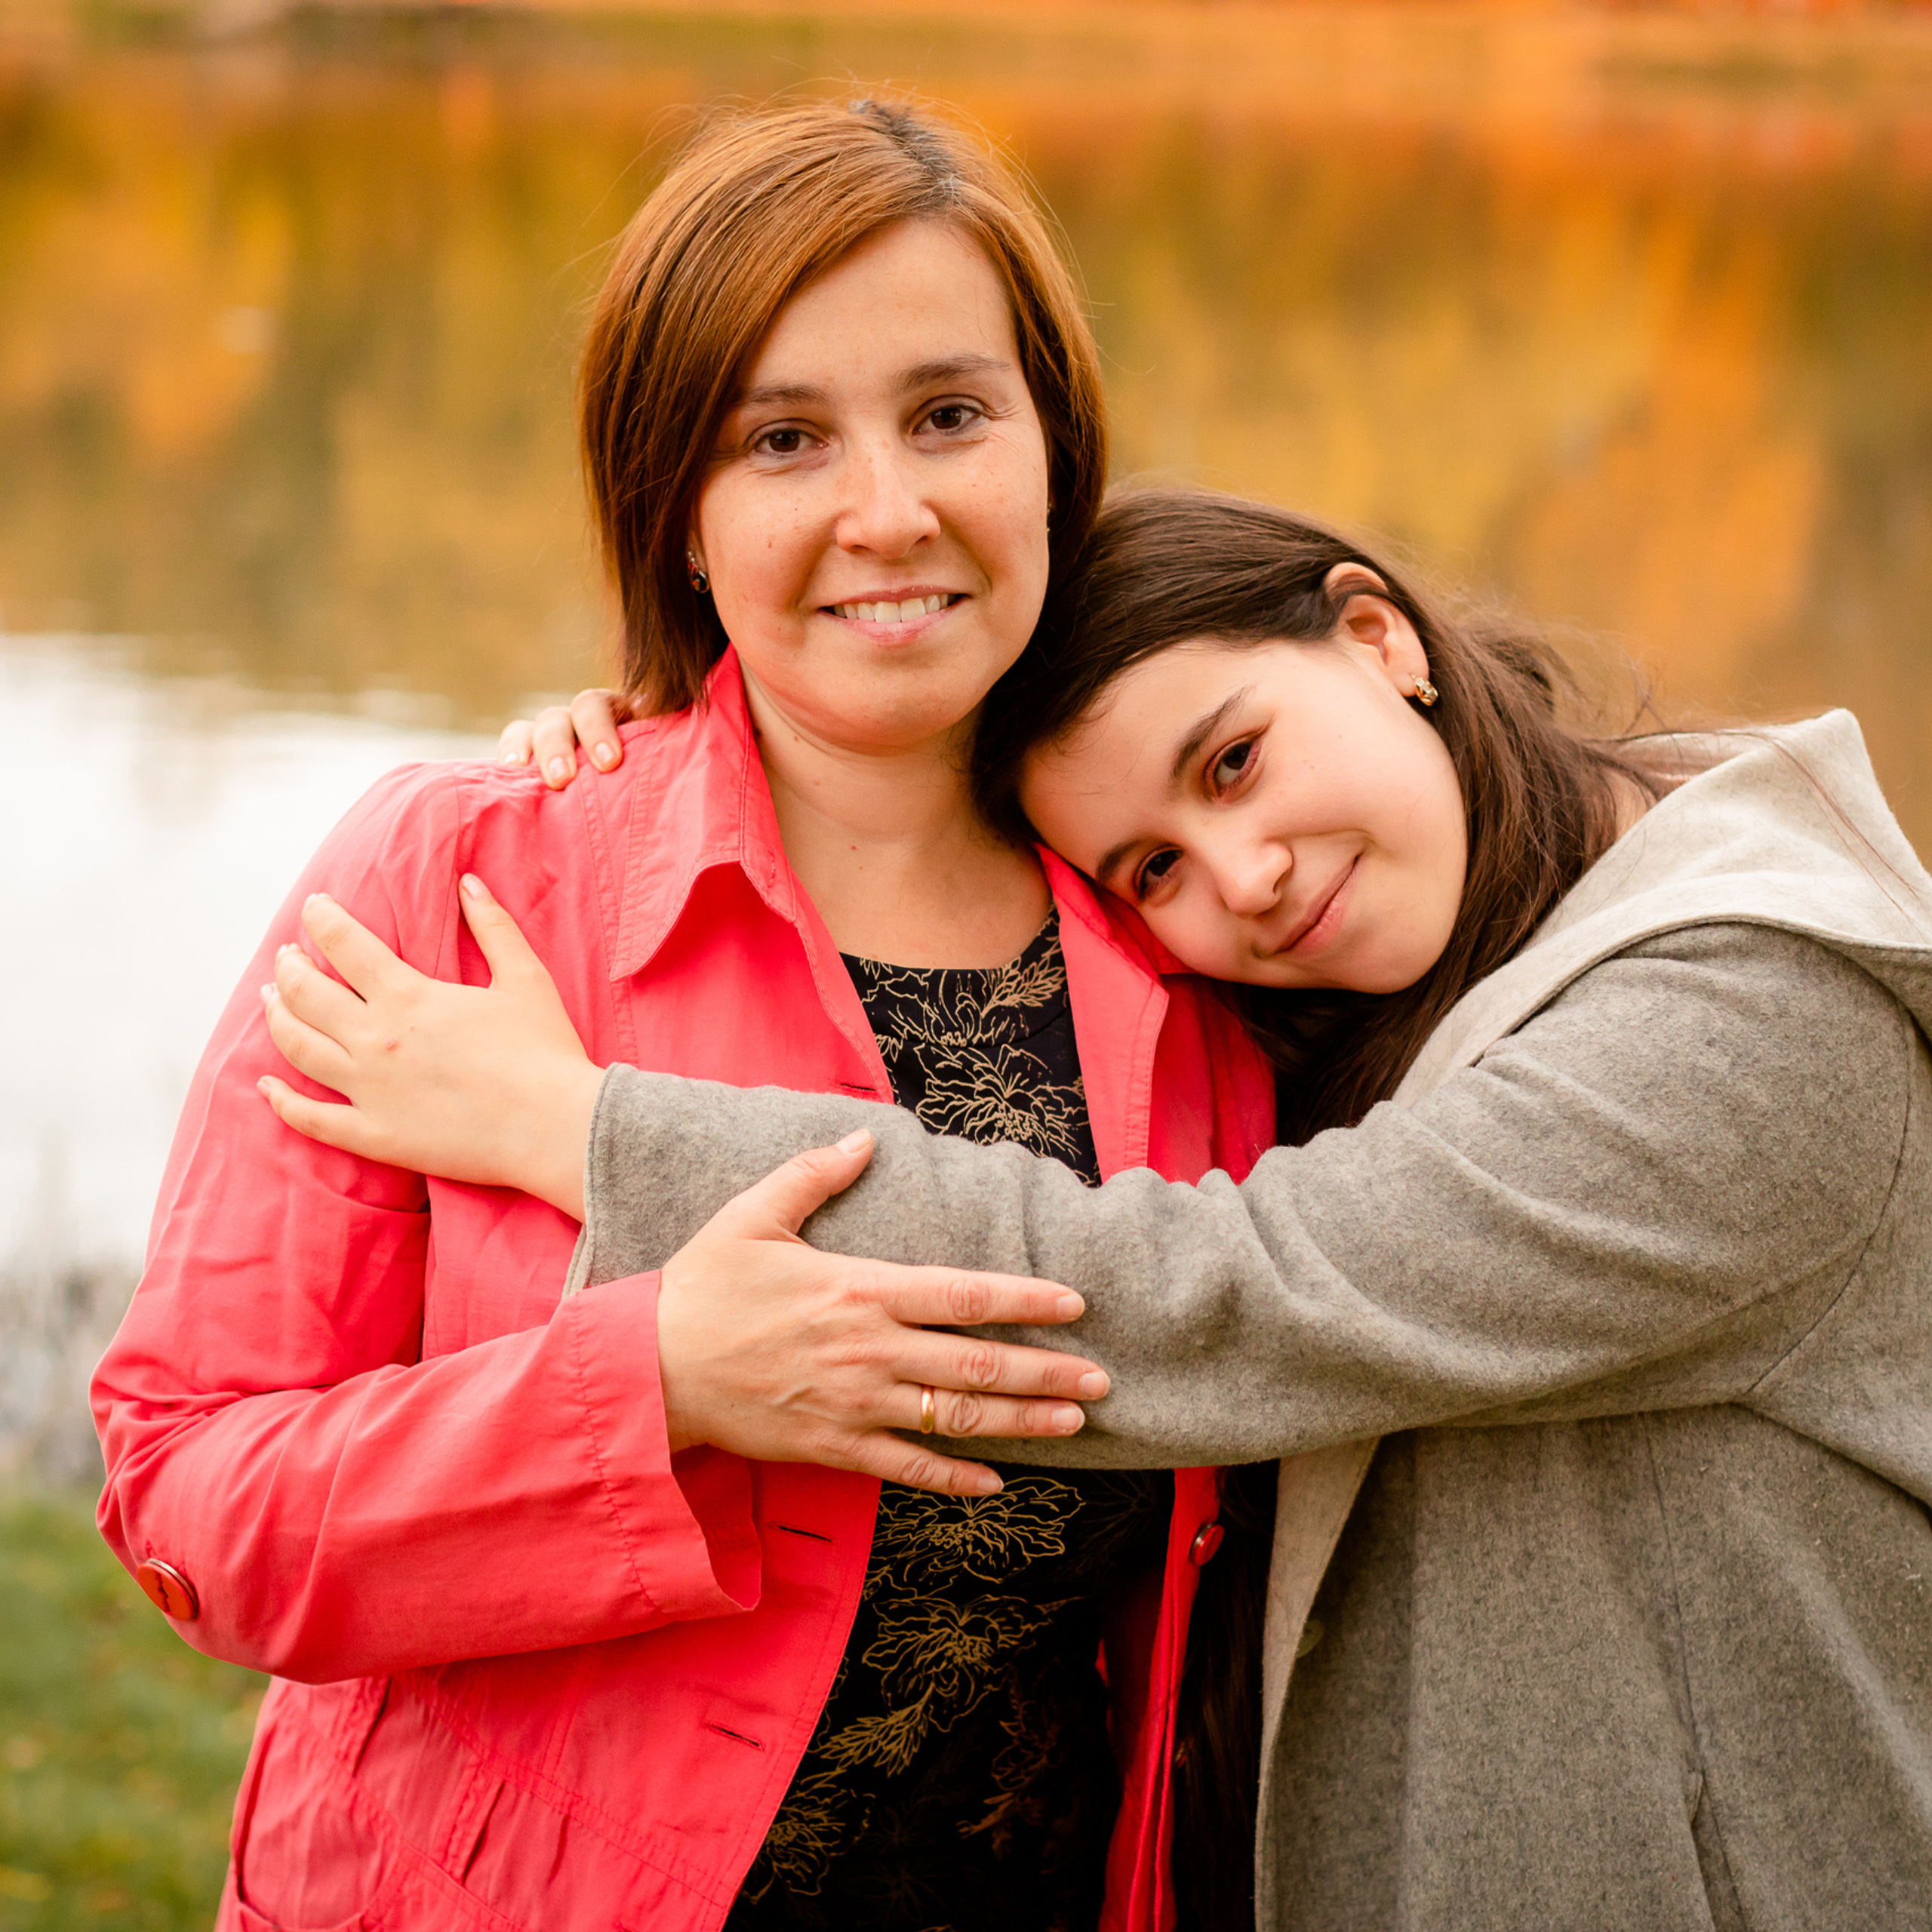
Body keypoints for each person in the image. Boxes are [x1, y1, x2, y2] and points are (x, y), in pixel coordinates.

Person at [258, 488, 1932, 1931]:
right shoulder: (1432, 963)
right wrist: (683, 751)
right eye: (1150, 869)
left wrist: (589, 1132)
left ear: (1375, 638)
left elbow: (1225, 1288)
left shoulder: (1757, 1010)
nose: (1245, 876)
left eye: (1234, 758)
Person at [91, 104, 1279, 1932]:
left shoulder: (1201, 942)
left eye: (950, 414)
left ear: (1054, 453)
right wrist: (649, 1384)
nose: (885, 510)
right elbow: (193, 1500)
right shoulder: (466, 882)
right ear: (679, 506)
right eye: (782, 438)